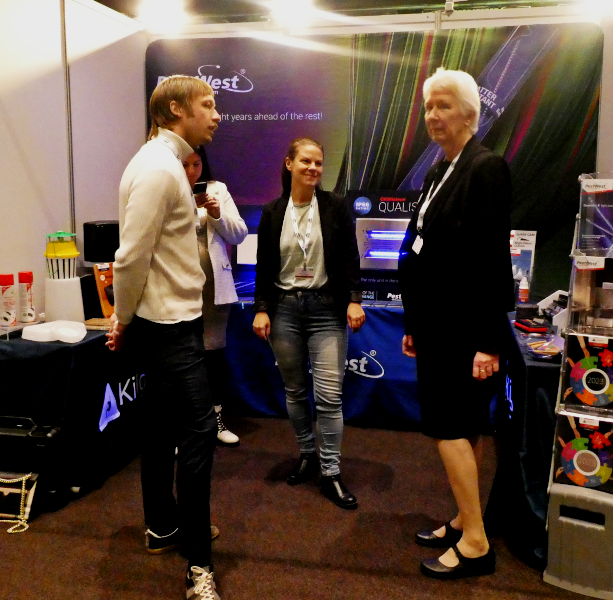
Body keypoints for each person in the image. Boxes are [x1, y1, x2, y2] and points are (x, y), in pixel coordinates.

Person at [105, 75, 224, 600]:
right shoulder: (158, 168)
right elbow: (130, 256)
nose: (216, 115)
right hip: (169, 328)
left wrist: (127, 319)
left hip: (167, 323)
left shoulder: (163, 162)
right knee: (199, 434)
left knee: (158, 428)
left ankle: (162, 526)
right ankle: (198, 566)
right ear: (176, 109)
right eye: (208, 104)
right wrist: (122, 318)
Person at [398, 67, 513, 580]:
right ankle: (468, 519)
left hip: (464, 330)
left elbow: (491, 259)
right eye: (428, 106)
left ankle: (476, 544)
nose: (432, 115)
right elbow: (424, 249)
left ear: (470, 113)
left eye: (443, 105)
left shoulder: (485, 168)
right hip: (436, 325)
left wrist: (488, 341)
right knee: (464, 426)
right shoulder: (438, 171)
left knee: (449, 428)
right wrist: (414, 322)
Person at [252, 137, 366, 510]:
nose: (313, 168)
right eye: (306, 161)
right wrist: (261, 308)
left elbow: (349, 256)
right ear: (289, 164)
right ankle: (307, 454)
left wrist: (354, 299)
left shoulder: (335, 207)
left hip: (326, 310)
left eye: (318, 162)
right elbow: (264, 265)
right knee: (296, 391)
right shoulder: (273, 211)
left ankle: (331, 472)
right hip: (284, 309)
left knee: (329, 397)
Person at [183, 147, 247, 446]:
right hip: (179, 287)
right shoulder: (166, 188)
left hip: (214, 287)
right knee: (183, 358)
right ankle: (185, 425)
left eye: (196, 164)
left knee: (214, 355)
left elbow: (239, 234)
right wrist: (189, 209)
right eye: (185, 164)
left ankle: (216, 418)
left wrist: (217, 214)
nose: (192, 171)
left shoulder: (217, 189)